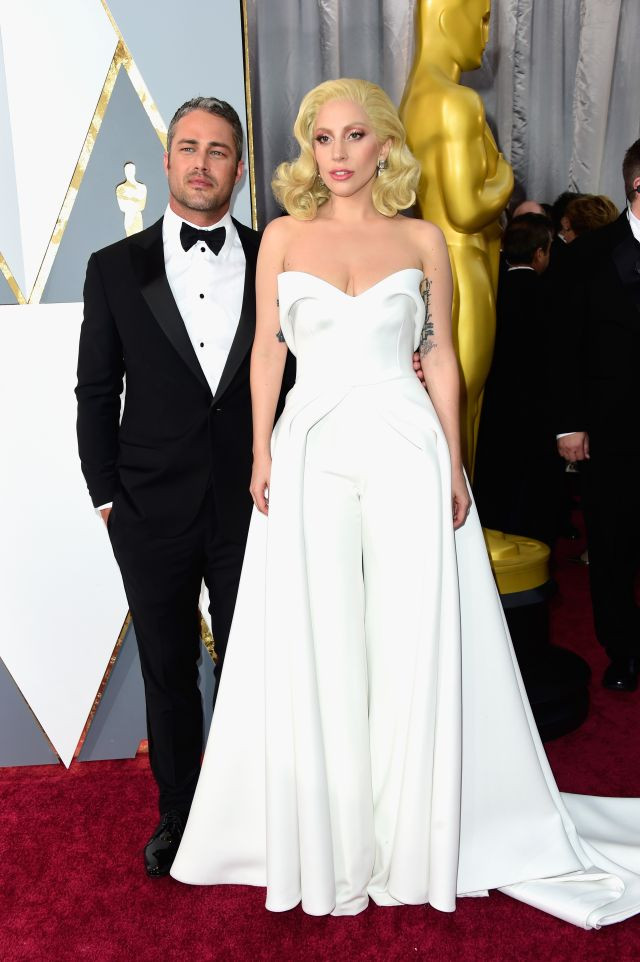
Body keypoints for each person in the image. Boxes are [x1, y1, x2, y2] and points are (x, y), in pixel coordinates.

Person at [171, 79, 640, 926]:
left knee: (407, 634)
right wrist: (261, 451)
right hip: (311, 447)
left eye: (355, 136)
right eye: (322, 138)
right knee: (323, 635)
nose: (338, 153)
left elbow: (443, 358)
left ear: (385, 145)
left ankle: (413, 832)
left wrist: (455, 462)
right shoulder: (284, 237)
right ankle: (334, 833)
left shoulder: (424, 239)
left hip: (405, 443)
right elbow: (268, 353)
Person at [76, 97, 293, 877]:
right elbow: (96, 391)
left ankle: (249, 809)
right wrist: (108, 498)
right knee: (167, 670)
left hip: (253, 502)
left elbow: (298, 372)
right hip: (148, 508)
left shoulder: (276, 257)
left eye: (219, 150)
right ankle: (179, 813)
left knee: (250, 663)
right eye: (189, 147)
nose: (202, 163)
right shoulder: (113, 267)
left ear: (240, 168)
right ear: (167, 160)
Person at [555, 140, 640, 692]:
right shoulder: (588, 254)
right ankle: (623, 649)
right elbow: (563, 344)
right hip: (612, 429)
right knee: (611, 543)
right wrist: (568, 423)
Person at [473, 214, 563, 546]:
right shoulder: (551, 295)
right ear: (540, 253)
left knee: (495, 482)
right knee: (532, 488)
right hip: (537, 407)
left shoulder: (490, 292)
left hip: (494, 404)